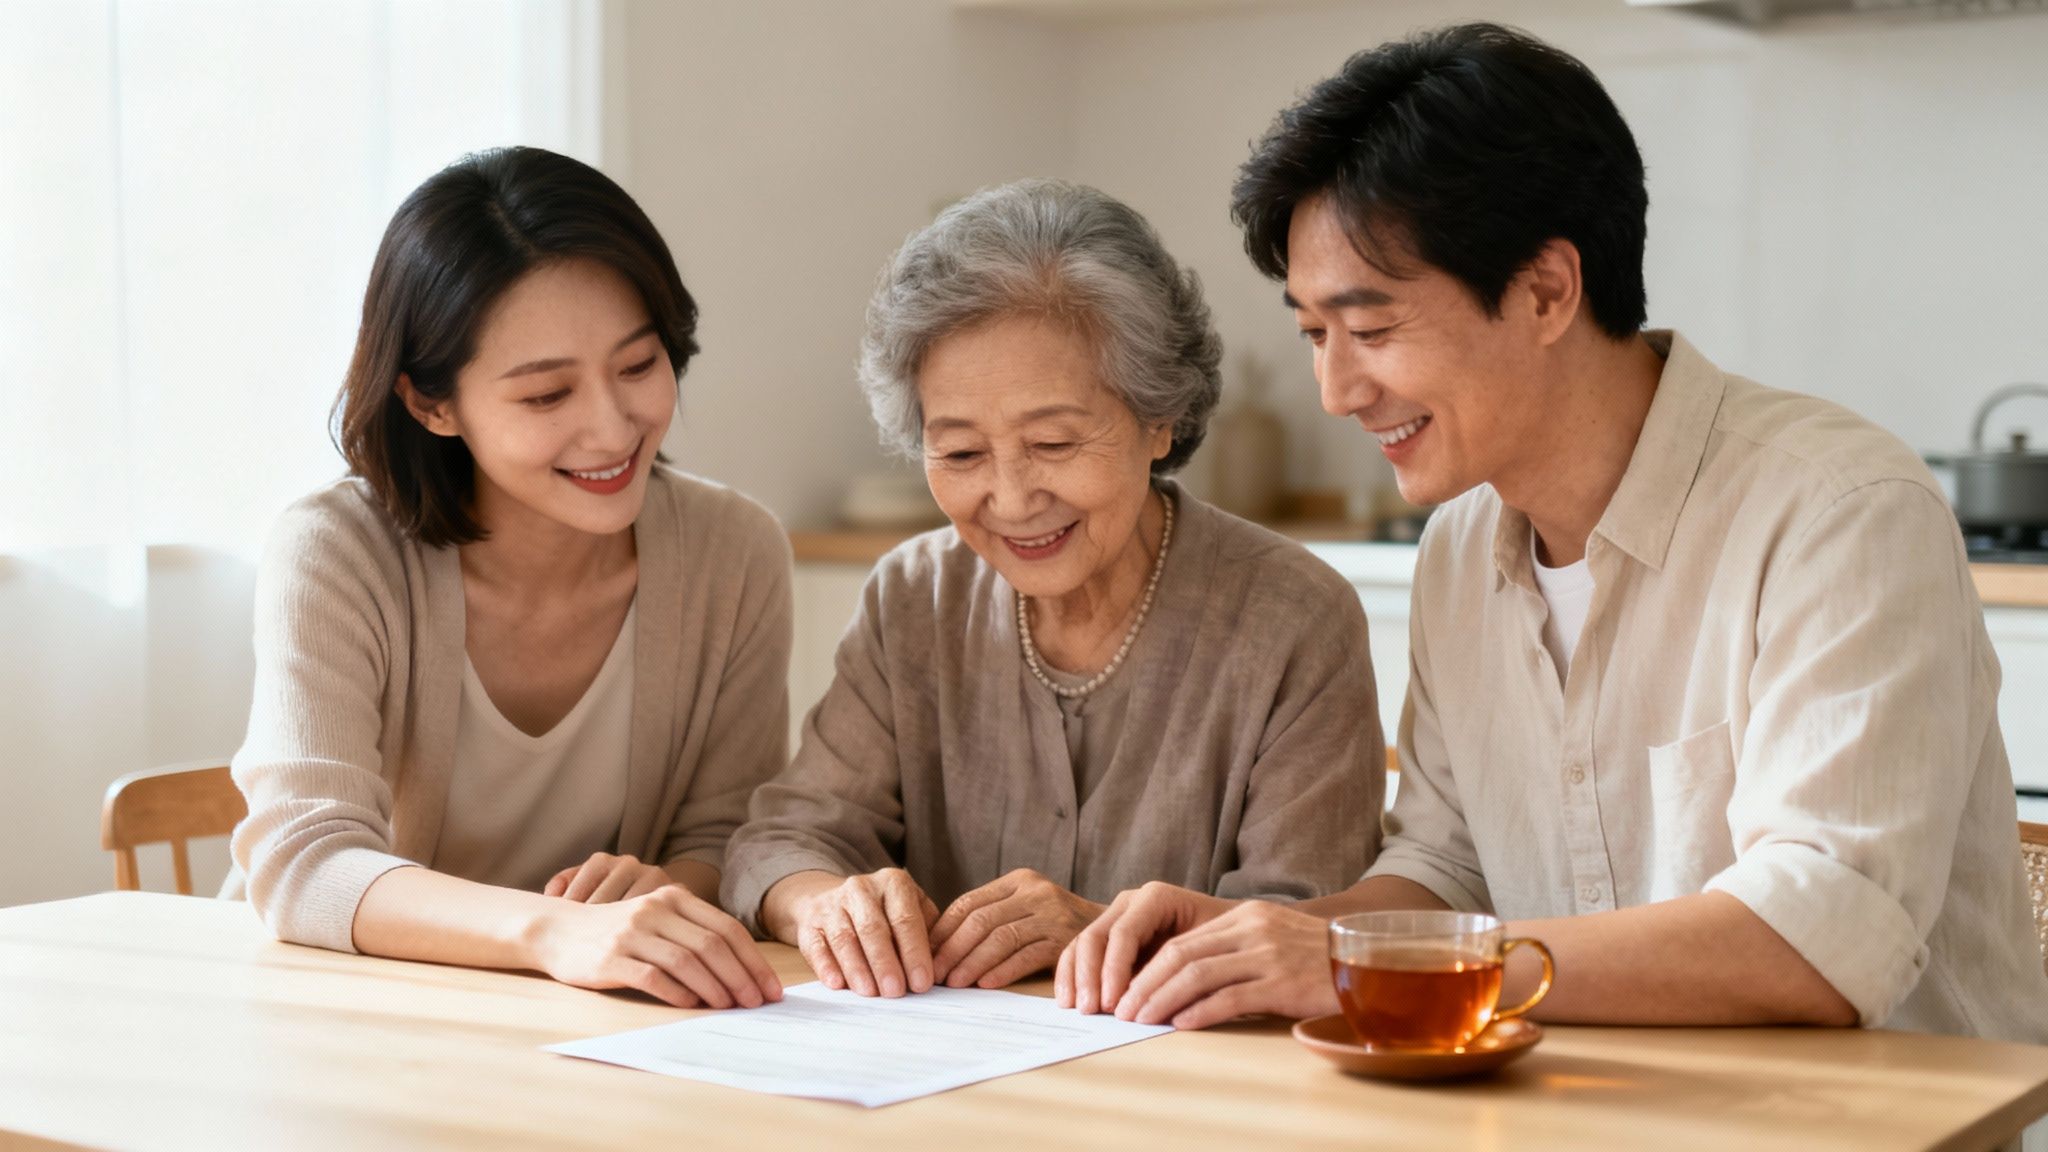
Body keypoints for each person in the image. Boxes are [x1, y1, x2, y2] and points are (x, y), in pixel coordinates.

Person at [1059, 23, 2048, 1042]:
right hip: (1589, 1111)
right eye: (1313, 334)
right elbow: (1444, 868)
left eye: (1371, 329)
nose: (1335, 390)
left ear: (1543, 290)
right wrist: (1254, 944)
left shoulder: (1837, 515)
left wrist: (1337, 961)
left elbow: (1818, 940)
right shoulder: (1457, 547)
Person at [721, 179, 1381, 999]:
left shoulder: (1292, 617)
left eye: (1055, 442)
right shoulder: (914, 597)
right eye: (961, 454)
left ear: (1158, 418)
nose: (1011, 497)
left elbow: (1309, 927)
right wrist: (827, 903)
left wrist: (1099, 929)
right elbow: (781, 840)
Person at [229, 146, 787, 1012]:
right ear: (431, 403)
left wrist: (662, 890)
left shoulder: (733, 550)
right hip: (345, 1015)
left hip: (591, 1026)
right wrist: (554, 931)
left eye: (639, 367)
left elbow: (726, 834)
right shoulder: (336, 550)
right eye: (545, 396)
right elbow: (307, 866)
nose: (611, 429)